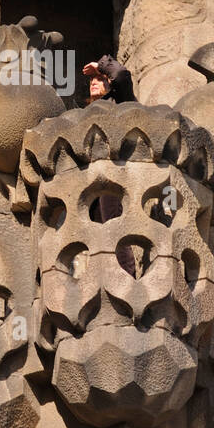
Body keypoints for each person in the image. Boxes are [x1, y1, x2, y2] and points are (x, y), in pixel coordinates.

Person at [83, 53, 137, 273]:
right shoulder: (87, 113)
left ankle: (126, 275)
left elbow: (122, 75)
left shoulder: (121, 101)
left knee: (114, 227)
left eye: (100, 78)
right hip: (91, 180)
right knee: (97, 235)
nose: (95, 82)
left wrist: (101, 65)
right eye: (92, 79)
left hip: (115, 173)